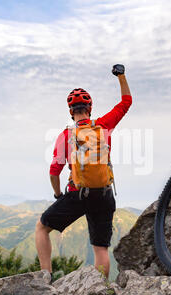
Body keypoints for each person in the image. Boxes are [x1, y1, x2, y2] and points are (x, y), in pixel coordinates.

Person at [35, 64, 132, 279]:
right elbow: (126, 103)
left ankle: (45, 278)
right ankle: (102, 291)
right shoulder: (104, 125)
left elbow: (54, 171)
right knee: (100, 249)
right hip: (105, 194)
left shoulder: (65, 135)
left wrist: (58, 194)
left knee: (42, 228)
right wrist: (121, 75)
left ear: (71, 111)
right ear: (90, 108)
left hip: (77, 193)